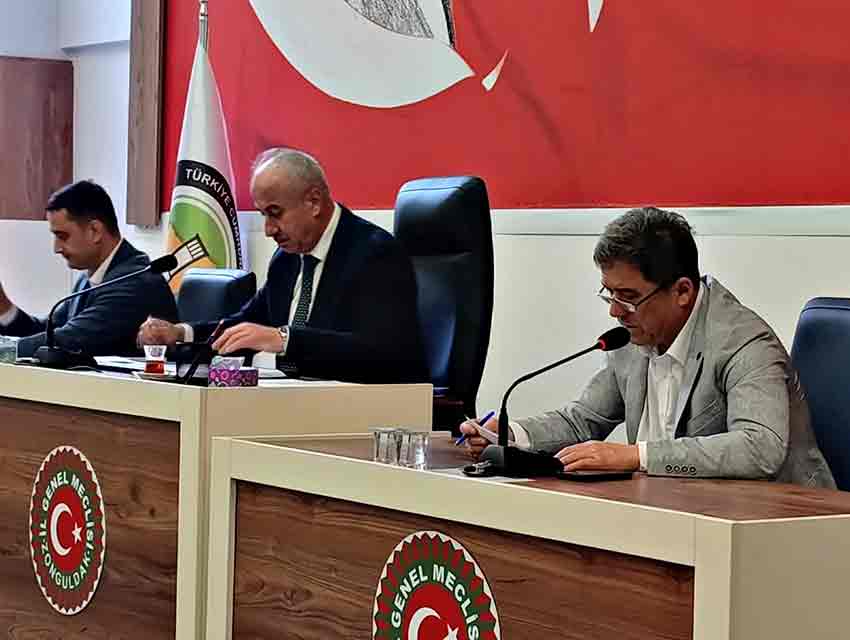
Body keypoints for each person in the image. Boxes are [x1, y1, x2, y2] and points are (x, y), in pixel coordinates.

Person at [460, 207, 835, 488]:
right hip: (682, 512)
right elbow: (583, 419)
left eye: (627, 296)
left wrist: (636, 455)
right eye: (609, 294)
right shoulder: (633, 336)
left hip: (784, 527)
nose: (614, 311)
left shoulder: (744, 343)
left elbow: (759, 447)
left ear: (682, 291)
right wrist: (510, 435)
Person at [138, 148, 427, 383]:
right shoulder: (286, 259)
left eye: (275, 213)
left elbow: (380, 351)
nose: (268, 229)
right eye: (263, 215)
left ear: (314, 202)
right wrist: (181, 333)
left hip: (363, 410)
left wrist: (285, 339)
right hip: (294, 402)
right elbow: (247, 323)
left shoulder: (374, 253)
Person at [0, 180, 178, 358]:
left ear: (95, 231)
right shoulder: (92, 275)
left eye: (62, 236)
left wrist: (6, 349)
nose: (56, 248)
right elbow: (48, 332)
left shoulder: (135, 282)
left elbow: (68, 340)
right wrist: (4, 309)